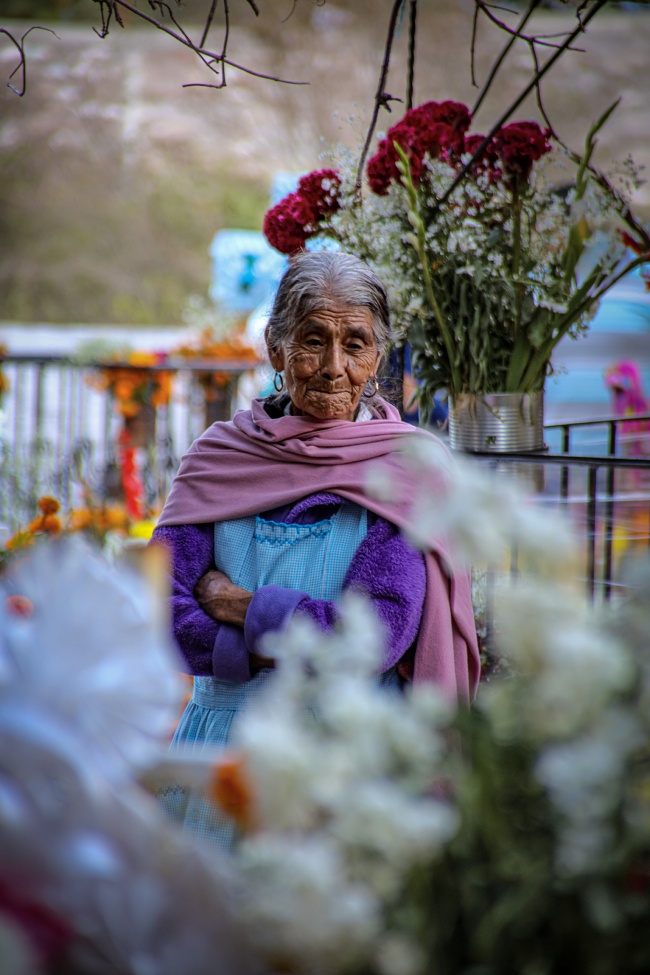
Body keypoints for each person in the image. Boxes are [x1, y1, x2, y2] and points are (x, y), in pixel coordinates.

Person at [152, 250, 480, 849]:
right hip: (225, 757)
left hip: (347, 762)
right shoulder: (219, 459)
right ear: (276, 350)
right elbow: (165, 616)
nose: (333, 367)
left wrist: (239, 607)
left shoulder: (406, 470)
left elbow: (376, 635)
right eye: (312, 340)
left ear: (377, 358)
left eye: (355, 344)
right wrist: (303, 635)